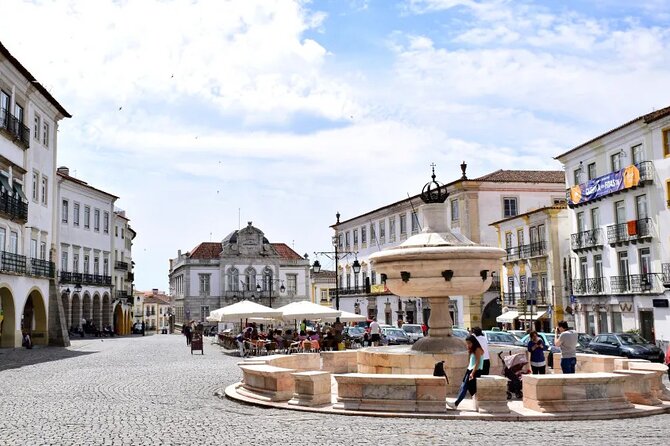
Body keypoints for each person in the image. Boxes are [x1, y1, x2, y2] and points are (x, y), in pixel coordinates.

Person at [448, 334, 484, 409]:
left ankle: (456, 404)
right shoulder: (472, 350)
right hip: (470, 369)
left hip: (475, 370)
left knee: (464, 387)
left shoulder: (477, 349)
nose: (468, 345)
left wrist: (472, 373)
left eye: (469, 343)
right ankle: (456, 403)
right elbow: (470, 361)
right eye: (467, 343)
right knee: (463, 386)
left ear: (474, 342)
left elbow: (477, 362)